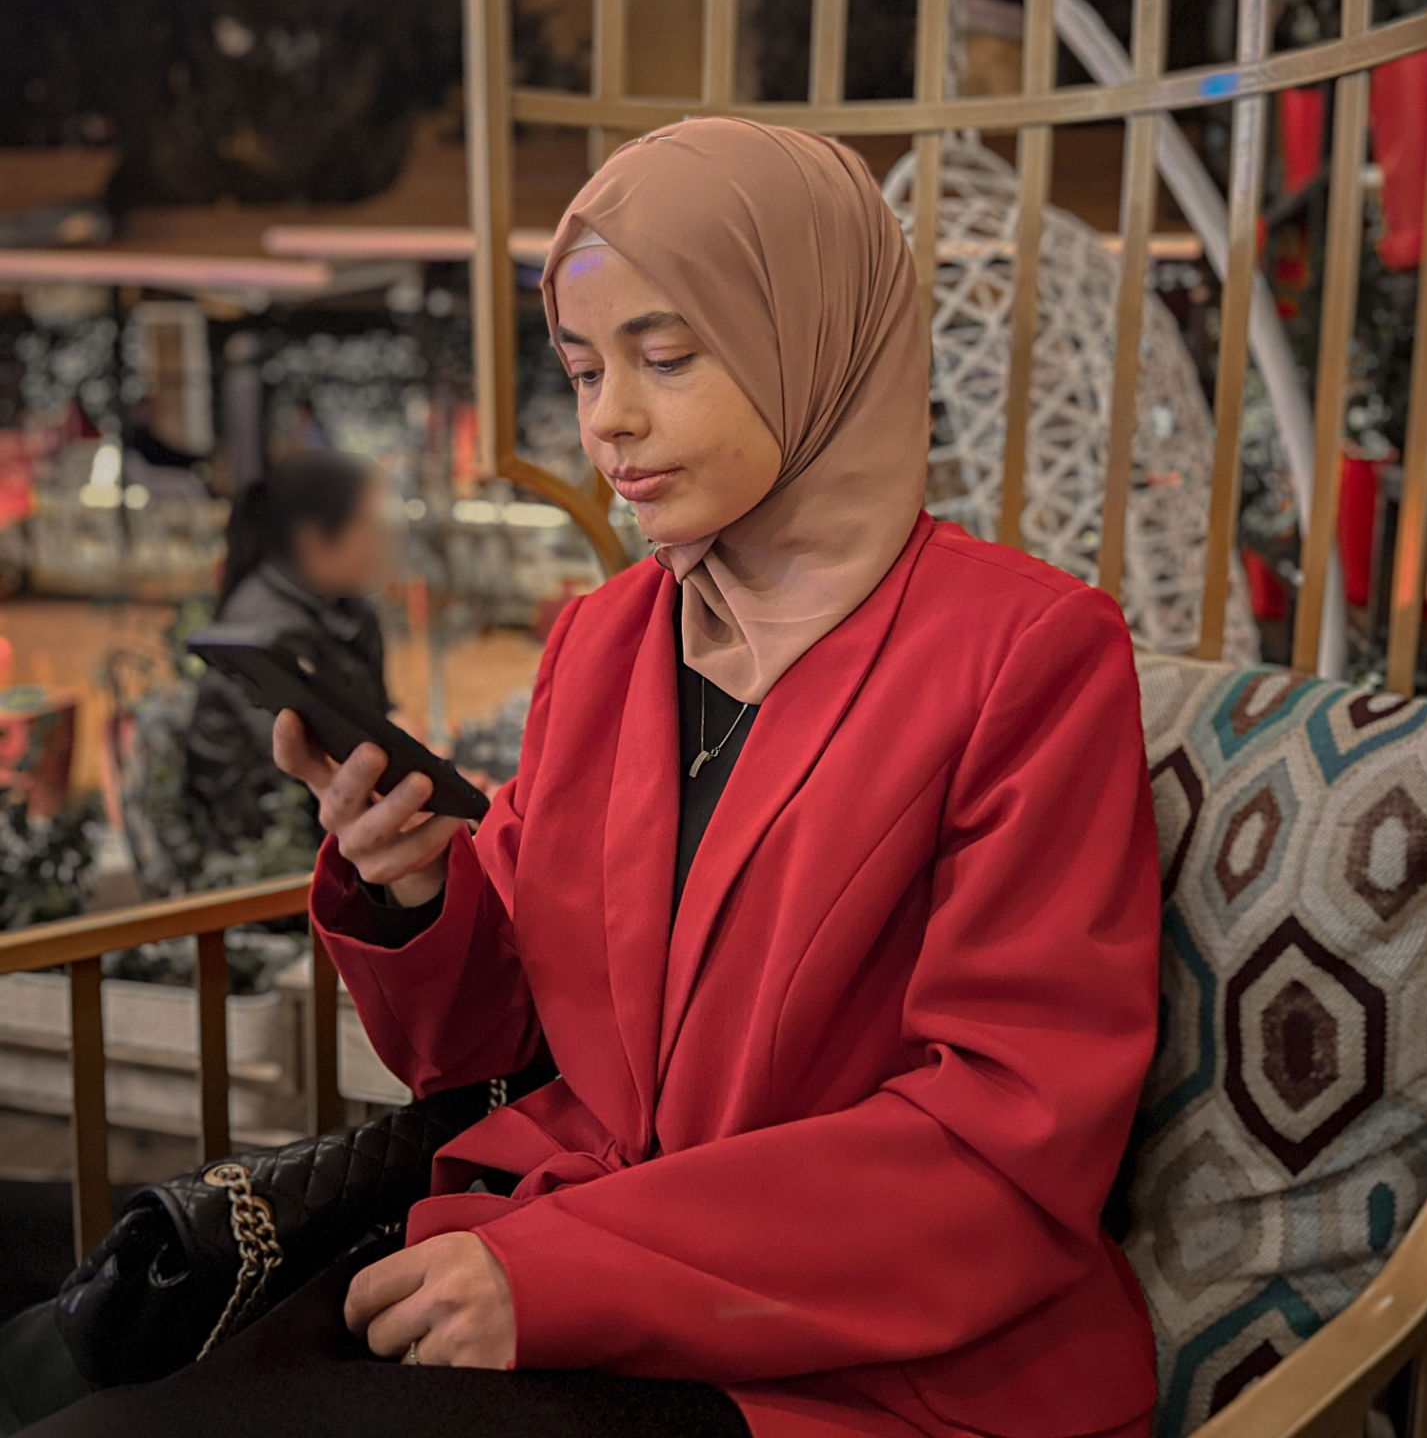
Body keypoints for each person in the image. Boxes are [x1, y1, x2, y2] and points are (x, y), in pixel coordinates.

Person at [25, 118, 1159, 1438]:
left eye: (666, 357)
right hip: (547, 1250)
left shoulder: (1027, 652)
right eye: (581, 368)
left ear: (814, 342)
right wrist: (414, 890)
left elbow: (1001, 1146)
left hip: (848, 1355)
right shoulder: (608, 639)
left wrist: (563, 1278)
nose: (608, 418)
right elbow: (495, 1045)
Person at [184, 450, 395, 847]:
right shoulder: (267, 630)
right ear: (313, 540)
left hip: (333, 809)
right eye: (369, 525)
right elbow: (311, 763)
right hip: (266, 837)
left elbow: (373, 716)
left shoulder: (349, 611)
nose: (382, 541)